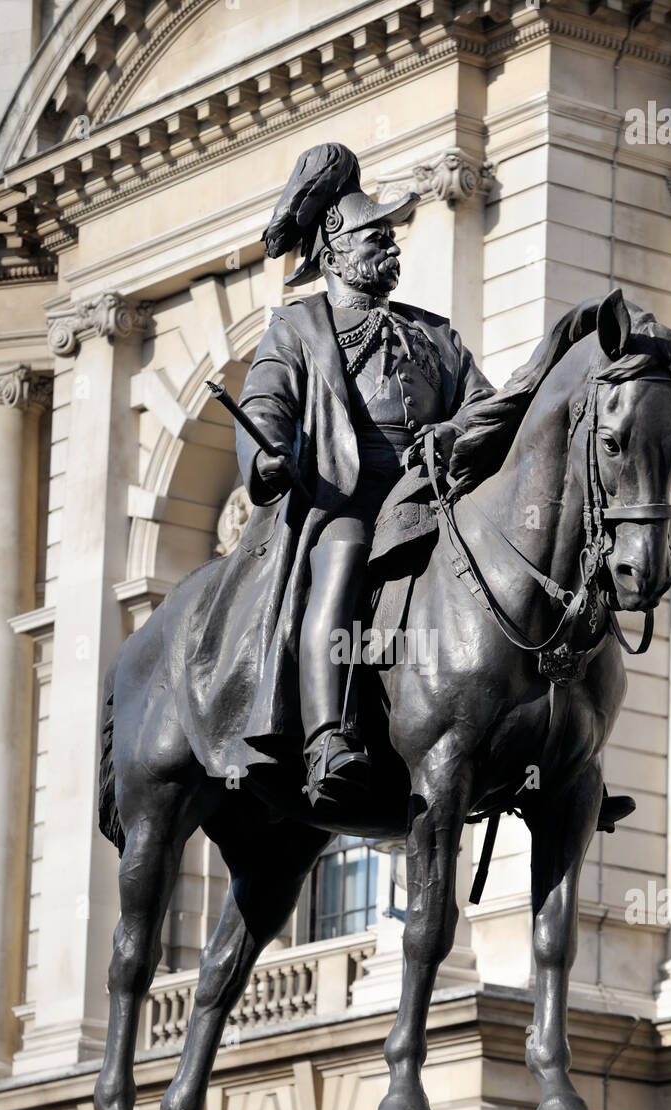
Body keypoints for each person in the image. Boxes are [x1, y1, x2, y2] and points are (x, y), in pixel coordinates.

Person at [233, 142, 495, 808]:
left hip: (432, 491)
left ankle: (551, 733)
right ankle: (326, 738)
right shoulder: (298, 327)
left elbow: (486, 408)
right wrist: (266, 453)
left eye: (389, 234)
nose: (390, 244)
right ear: (333, 249)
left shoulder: (435, 334)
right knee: (345, 554)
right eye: (375, 234)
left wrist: (452, 433)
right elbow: (265, 403)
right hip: (346, 493)